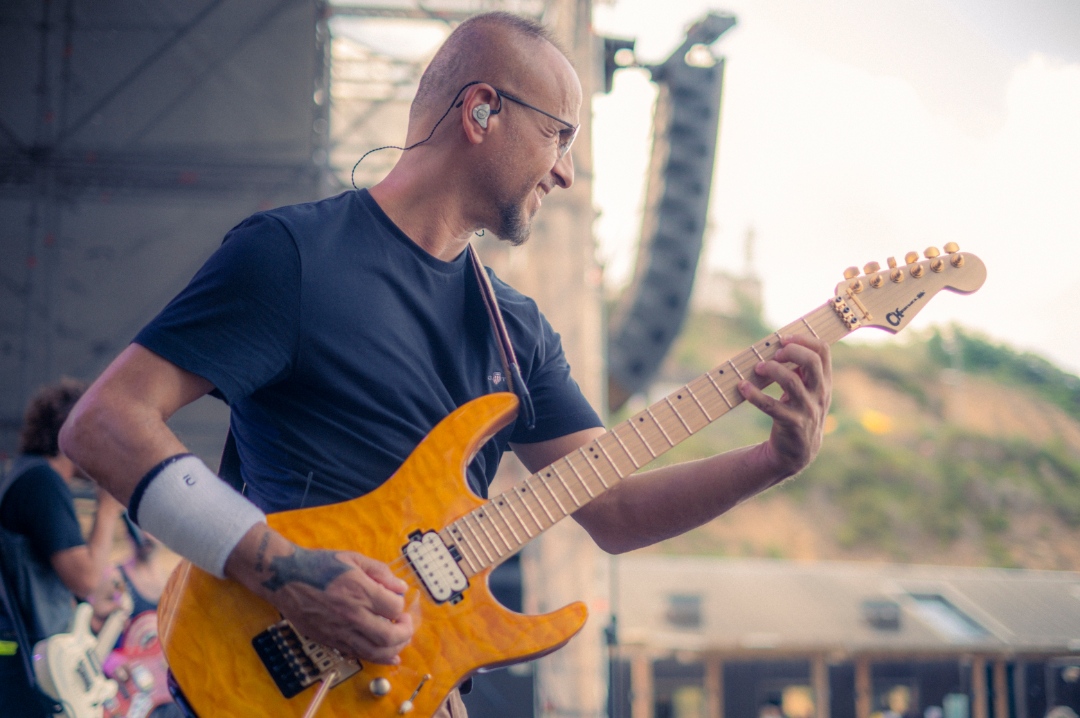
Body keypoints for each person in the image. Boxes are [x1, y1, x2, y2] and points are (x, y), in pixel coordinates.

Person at [58, 11, 831, 717]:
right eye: (560, 134)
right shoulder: (292, 257)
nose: (565, 172)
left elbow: (616, 511)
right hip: (273, 677)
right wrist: (288, 574)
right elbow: (103, 424)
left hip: (418, 690)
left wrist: (771, 461)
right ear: (482, 110)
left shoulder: (518, 330)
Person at [0, 379, 125, 717]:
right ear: (75, 434)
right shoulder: (42, 481)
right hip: (24, 660)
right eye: (100, 437)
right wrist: (108, 511)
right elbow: (85, 579)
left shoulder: (26, 475)